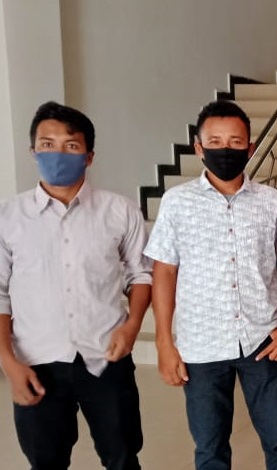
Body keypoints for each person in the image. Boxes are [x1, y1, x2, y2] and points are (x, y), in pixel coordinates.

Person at [144, 100, 277, 470]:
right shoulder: (177, 202)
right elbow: (164, 272)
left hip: (263, 339)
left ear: (251, 148)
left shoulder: (272, 201)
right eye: (215, 141)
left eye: (235, 142)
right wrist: (164, 342)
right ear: (199, 148)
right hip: (201, 345)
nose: (225, 149)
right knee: (210, 447)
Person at [0, 101, 151, 469]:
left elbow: (141, 274)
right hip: (35, 360)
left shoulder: (120, 211)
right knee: (46, 462)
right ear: (33, 151)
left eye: (71, 145)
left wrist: (133, 325)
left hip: (106, 355)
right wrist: (8, 363)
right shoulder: (9, 217)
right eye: (47, 144)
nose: (58, 153)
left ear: (89, 156)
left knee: (123, 457)